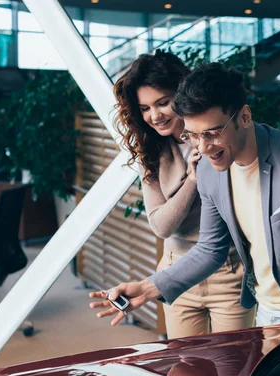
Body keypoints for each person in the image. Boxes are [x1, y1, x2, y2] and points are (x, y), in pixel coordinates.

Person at [90, 62, 280, 327]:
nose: (202, 147)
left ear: (245, 117)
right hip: (267, 314)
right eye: (193, 136)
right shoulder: (208, 169)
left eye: (213, 133)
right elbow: (210, 249)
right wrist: (150, 286)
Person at [107, 51, 255, 338]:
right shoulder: (150, 151)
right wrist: (192, 179)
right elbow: (161, 226)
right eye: (145, 108)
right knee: (188, 370)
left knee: (233, 370)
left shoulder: (219, 139)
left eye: (163, 103)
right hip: (175, 270)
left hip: (228, 270)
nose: (155, 115)